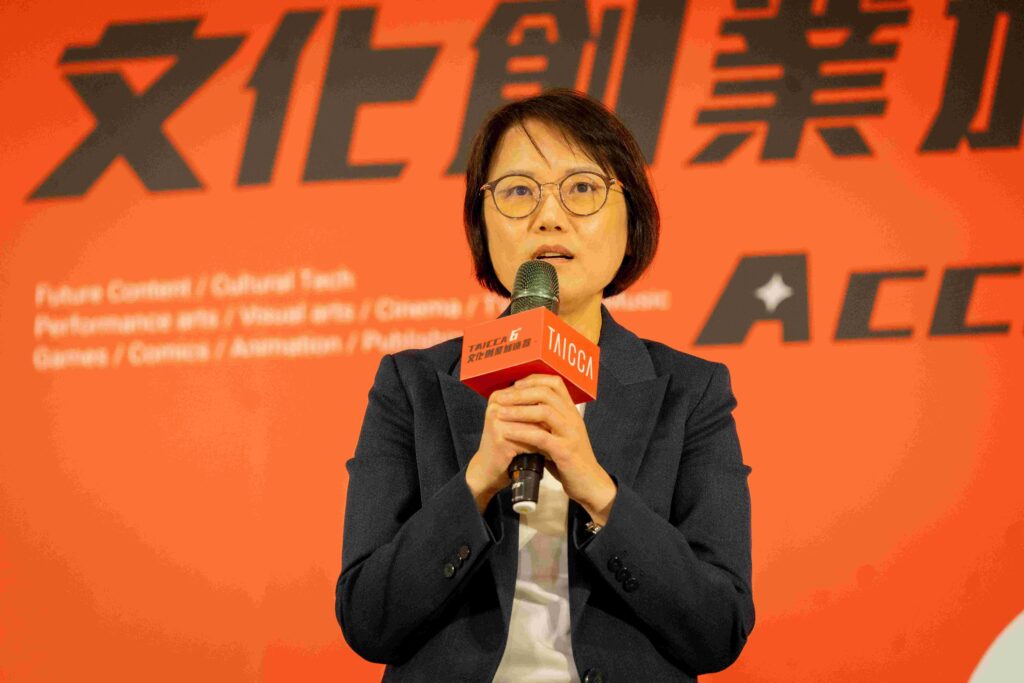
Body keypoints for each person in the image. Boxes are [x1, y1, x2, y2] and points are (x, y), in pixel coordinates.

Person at [336, 89, 754, 682]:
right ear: (482, 223)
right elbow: (367, 619)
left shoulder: (692, 393)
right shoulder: (413, 386)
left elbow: (719, 629)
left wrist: (599, 492)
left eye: (582, 188)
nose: (549, 216)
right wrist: (477, 482)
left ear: (631, 217)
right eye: (518, 191)